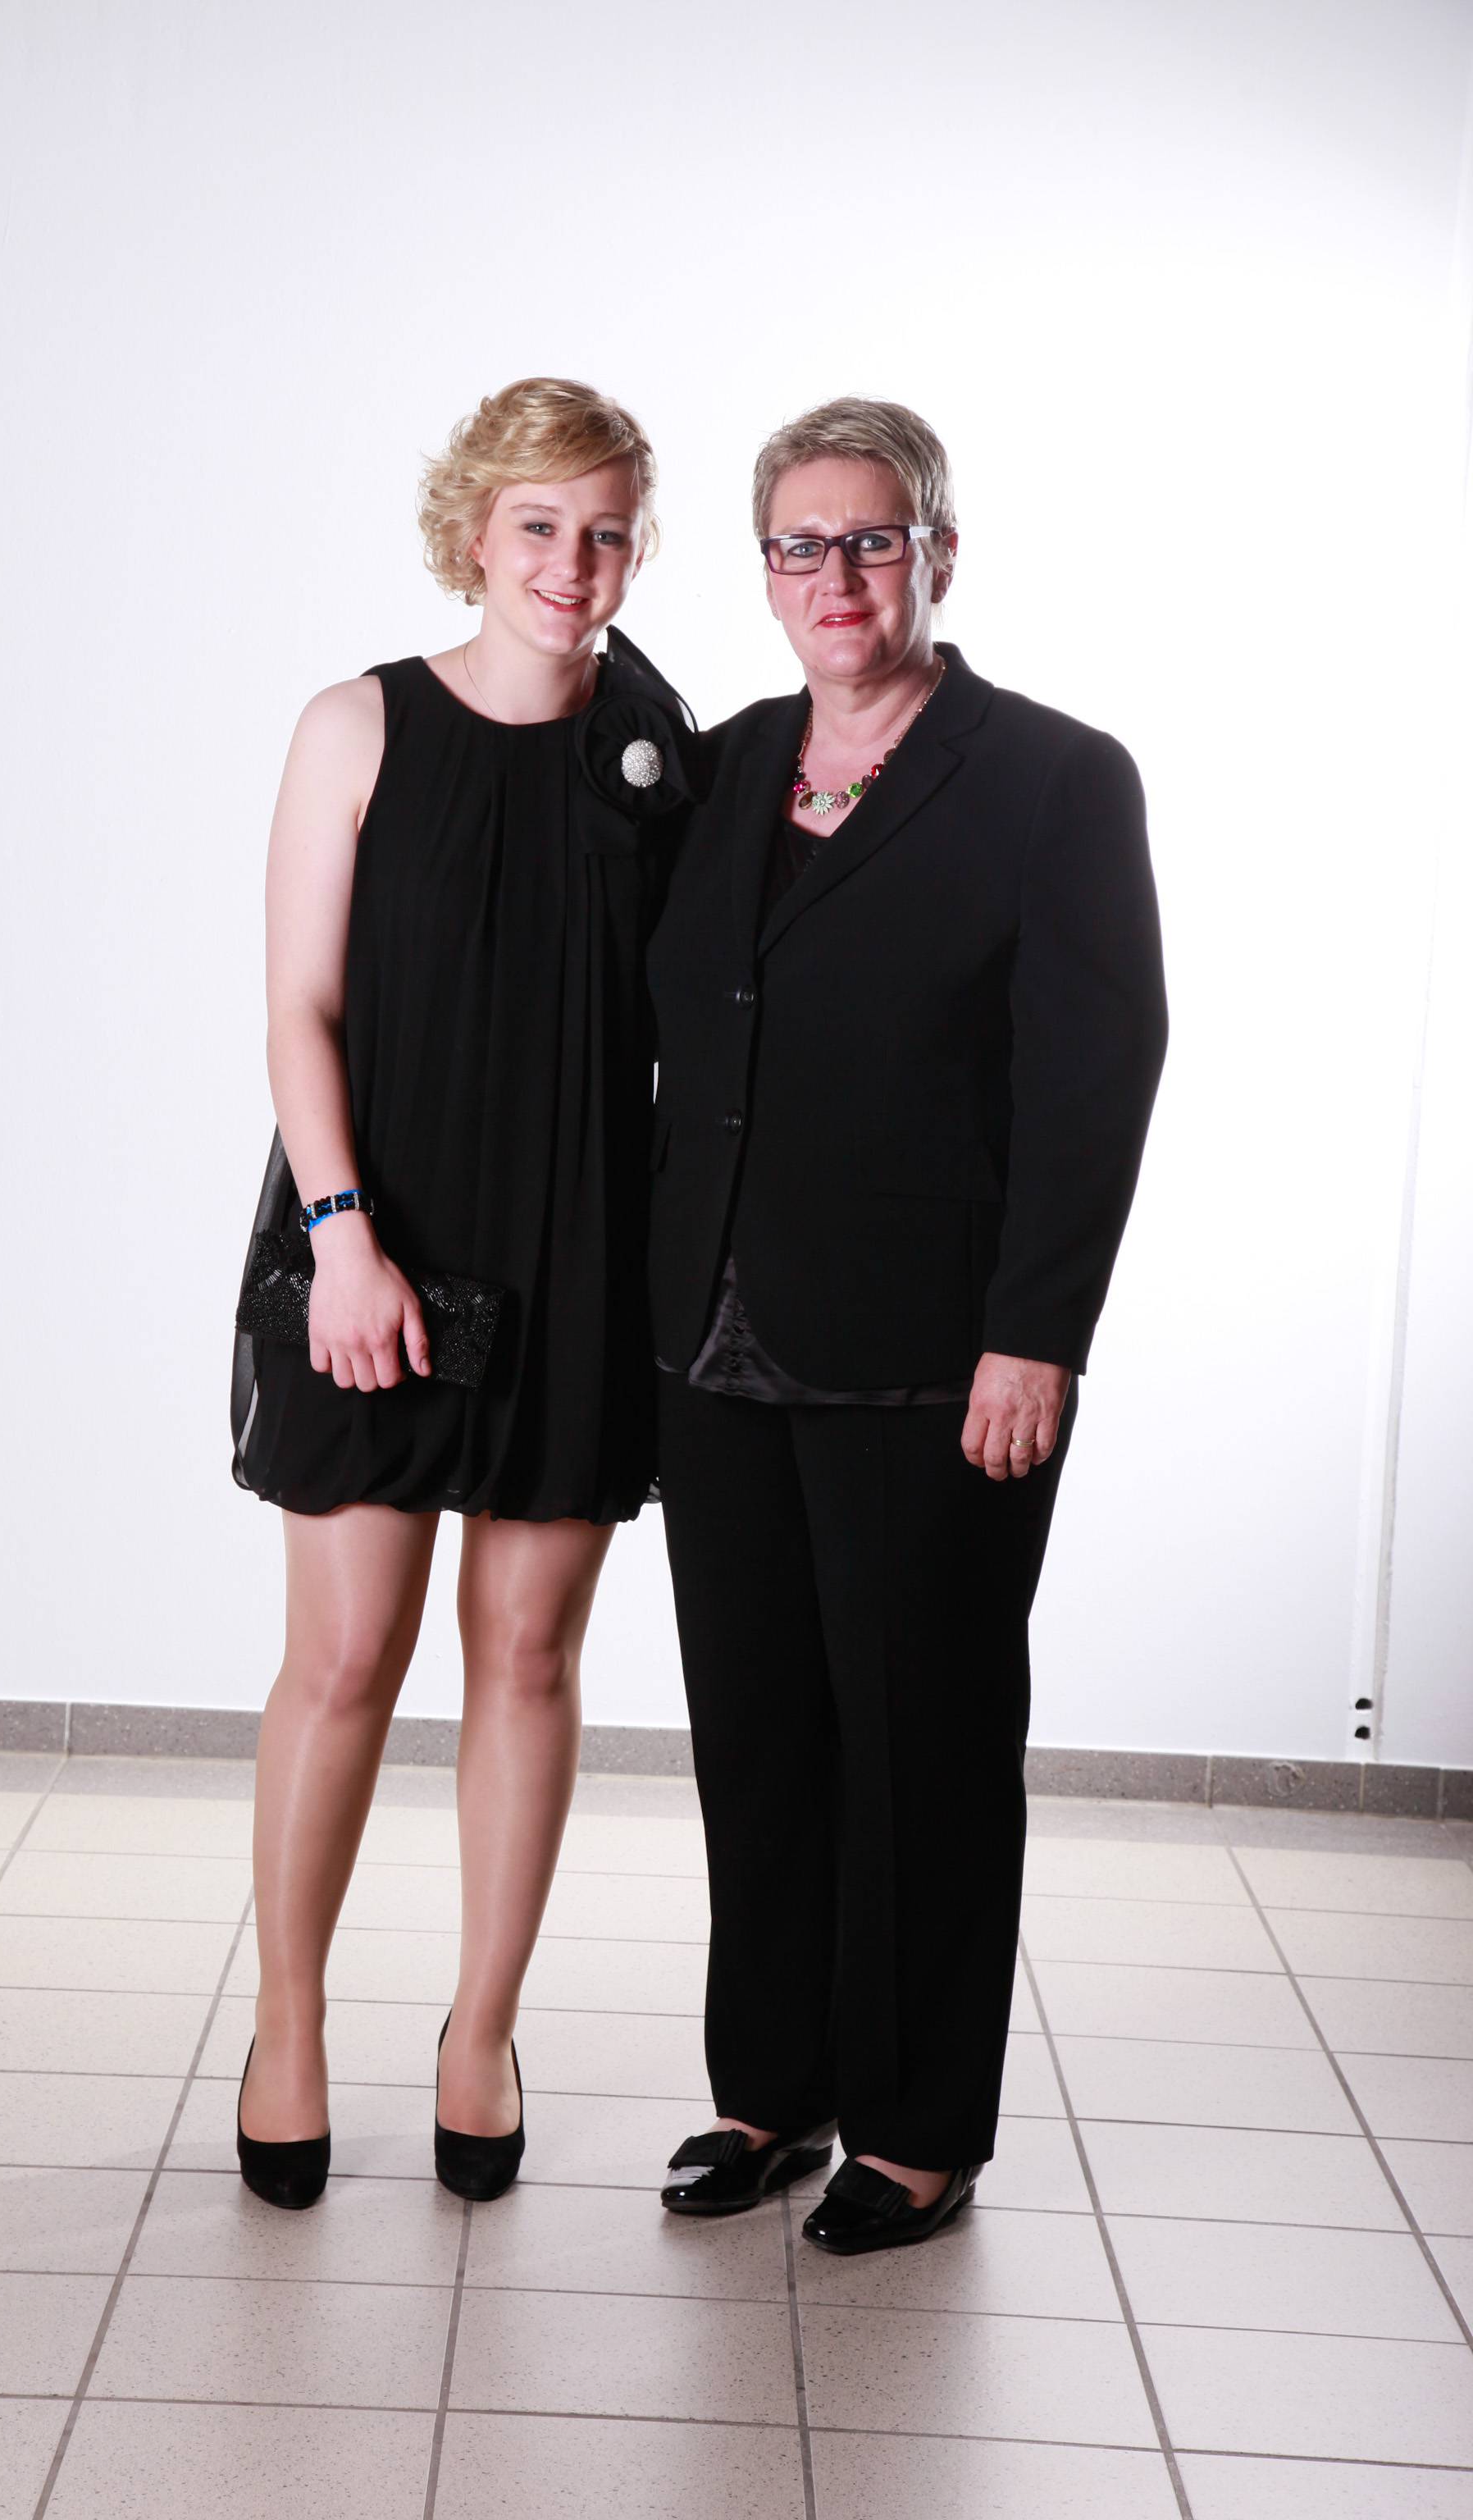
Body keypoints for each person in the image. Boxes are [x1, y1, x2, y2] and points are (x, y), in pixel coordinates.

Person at [646, 397, 1167, 2253]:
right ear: (764, 569)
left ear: (938, 551)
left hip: (937, 1355)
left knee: (923, 1743)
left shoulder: (1052, 778)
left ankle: (921, 2125)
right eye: (801, 544)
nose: (839, 577)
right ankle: (770, 2089)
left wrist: (1037, 1334)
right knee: (758, 1736)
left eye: (873, 539)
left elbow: (1095, 1073)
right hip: (712, 1337)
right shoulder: (721, 767)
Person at [229, 378, 695, 2210]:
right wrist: (343, 1236)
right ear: (473, 530)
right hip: (377, 1234)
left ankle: (480, 2032)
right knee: (348, 1654)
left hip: (580, 1248)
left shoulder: (659, 757)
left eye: (605, 533)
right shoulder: (357, 725)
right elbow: (296, 1011)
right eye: (539, 527)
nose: (572, 565)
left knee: (529, 1655)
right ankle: (285, 2025)